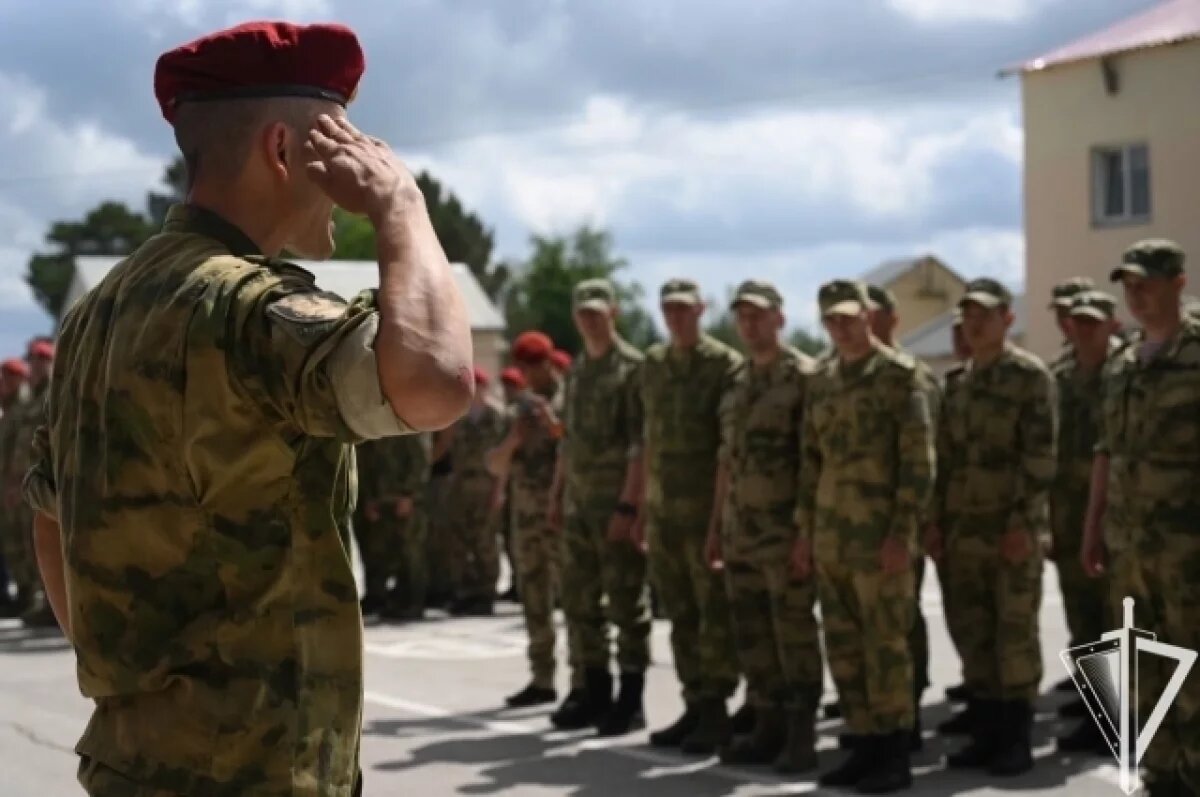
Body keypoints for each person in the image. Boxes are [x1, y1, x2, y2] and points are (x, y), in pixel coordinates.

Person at [21, 21, 473, 797]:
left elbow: (50, 511)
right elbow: (435, 379)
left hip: (133, 763)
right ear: (283, 151)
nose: (352, 173)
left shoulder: (97, 313)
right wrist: (402, 207)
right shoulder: (246, 307)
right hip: (254, 771)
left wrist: (140, 677)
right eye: (342, 146)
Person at [797, 279, 933, 793]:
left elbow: (919, 463)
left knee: (886, 648)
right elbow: (812, 463)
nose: (840, 329)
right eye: (831, 321)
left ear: (869, 317)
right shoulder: (823, 380)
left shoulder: (900, 378)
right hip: (833, 539)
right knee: (846, 649)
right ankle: (863, 741)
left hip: (881, 541)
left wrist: (903, 534)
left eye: (849, 319)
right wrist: (806, 533)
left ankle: (894, 752)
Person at [1082, 240, 1200, 797]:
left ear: (1178, 283)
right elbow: (1106, 452)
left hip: (1189, 550)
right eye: (1128, 284)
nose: (1135, 293)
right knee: (1143, 666)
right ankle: (1162, 774)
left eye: (1146, 282)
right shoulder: (1121, 364)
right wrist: (1093, 529)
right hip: (1130, 547)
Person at [930, 278, 1056, 777]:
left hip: (1009, 533)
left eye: (984, 314)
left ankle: (1016, 738)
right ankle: (985, 734)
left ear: (1008, 319)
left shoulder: (1029, 378)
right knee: (973, 634)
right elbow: (942, 462)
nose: (974, 323)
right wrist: (935, 523)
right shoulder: (956, 385)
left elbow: (1041, 457)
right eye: (968, 315)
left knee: (1014, 635)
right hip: (963, 534)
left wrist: (1025, 523)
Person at [706, 280, 821, 773]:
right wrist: (716, 527)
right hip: (740, 531)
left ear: (780, 318)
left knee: (793, 633)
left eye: (759, 316)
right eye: (743, 317)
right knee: (752, 634)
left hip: (783, 532)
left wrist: (805, 533)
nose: (750, 325)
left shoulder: (805, 377)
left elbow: (815, 461)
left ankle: (801, 735)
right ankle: (768, 725)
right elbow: (726, 462)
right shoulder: (737, 381)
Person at [641, 278, 744, 756]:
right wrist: (643, 505)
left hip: (705, 512)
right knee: (679, 615)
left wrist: (720, 522)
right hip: (664, 512)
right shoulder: (655, 366)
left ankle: (717, 709)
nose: (677, 318)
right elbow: (649, 440)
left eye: (685, 309)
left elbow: (729, 451)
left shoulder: (723, 366)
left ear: (702, 310)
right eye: (669, 310)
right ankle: (694, 703)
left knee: (713, 617)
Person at [547, 279, 651, 736]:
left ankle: (630, 700)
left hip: (615, 505)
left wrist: (630, 506)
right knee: (580, 603)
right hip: (578, 506)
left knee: (626, 602)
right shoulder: (577, 373)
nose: (590, 319)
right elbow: (567, 442)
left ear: (614, 312)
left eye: (598, 311)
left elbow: (640, 444)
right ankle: (595, 691)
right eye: (583, 312)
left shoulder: (633, 369)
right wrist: (556, 495)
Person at [865, 283, 941, 752]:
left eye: (875, 316)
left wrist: (927, 521)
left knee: (902, 615)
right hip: (858, 527)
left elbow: (931, 456)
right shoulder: (848, 376)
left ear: (893, 320)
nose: (866, 325)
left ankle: (908, 704)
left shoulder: (913, 376)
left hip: (902, 520)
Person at [1051, 290, 1121, 756]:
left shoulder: (1127, 373)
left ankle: (1124, 717)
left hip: (1117, 519)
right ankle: (1098, 710)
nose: (1084, 330)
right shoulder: (1060, 378)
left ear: (1112, 324)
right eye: (1077, 322)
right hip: (1068, 516)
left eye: (1094, 322)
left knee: (1120, 620)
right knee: (1082, 619)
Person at [486, 331, 567, 708]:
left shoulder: (569, 398)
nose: (531, 376)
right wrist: (515, 440)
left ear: (549, 363)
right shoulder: (516, 410)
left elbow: (577, 445)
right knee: (534, 597)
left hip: (563, 513)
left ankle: (586, 679)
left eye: (535, 367)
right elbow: (494, 463)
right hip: (526, 517)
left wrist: (552, 423)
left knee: (578, 600)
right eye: (524, 368)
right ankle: (542, 677)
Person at [444, 367, 506, 616]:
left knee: (485, 541)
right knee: (461, 539)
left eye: (478, 387)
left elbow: (503, 459)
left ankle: (486, 592)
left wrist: (499, 491)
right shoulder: (459, 418)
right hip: (462, 485)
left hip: (486, 484)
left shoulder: (496, 417)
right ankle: (466, 591)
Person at [356, 432, 432, 621]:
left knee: (411, 552)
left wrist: (409, 494)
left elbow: (419, 461)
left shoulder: (409, 428)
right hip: (381, 500)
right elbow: (366, 465)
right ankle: (389, 599)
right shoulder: (373, 431)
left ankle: (413, 602)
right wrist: (370, 498)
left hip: (406, 499)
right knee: (384, 550)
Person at [7, 340, 56, 627]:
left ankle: (50, 603)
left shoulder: (53, 394)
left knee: (46, 540)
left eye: (41, 360)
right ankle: (40, 599)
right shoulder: (31, 401)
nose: (35, 366)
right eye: (32, 361)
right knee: (29, 544)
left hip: (44, 479)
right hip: (25, 481)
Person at [0, 357, 30, 618]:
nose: (4, 382)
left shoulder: (25, 408)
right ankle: (23, 595)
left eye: (10, 376)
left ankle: (30, 596)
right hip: (8, 483)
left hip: (21, 482)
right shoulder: (9, 409)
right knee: (12, 543)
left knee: (24, 541)